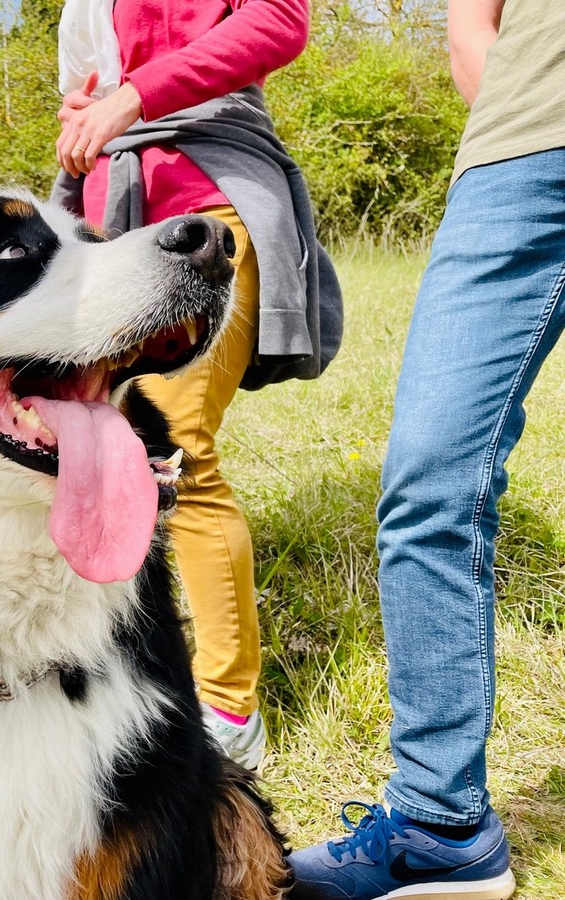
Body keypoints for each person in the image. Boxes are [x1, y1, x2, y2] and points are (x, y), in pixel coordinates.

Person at [289, 2, 562, 898]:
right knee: (429, 482)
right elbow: (469, 27)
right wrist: (523, 123)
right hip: (518, 163)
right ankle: (443, 824)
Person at [52, 0, 341, 770]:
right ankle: (115, 688)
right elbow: (87, 89)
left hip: (207, 209)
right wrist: (84, 114)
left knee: (174, 457)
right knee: (91, 459)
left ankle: (226, 716)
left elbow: (281, 21)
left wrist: (132, 97)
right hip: (107, 233)